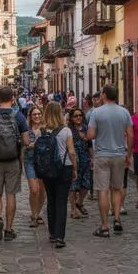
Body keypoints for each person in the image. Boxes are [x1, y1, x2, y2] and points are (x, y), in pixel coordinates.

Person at [0, 86, 30, 242]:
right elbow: (26, 141)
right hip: (13, 160)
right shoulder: (19, 117)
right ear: (13, 98)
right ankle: (9, 229)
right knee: (11, 194)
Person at [87, 84, 133, 237]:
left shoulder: (96, 112)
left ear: (104, 95)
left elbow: (91, 135)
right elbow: (131, 136)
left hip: (102, 155)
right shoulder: (124, 112)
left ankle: (105, 226)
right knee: (117, 189)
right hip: (119, 154)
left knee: (102, 190)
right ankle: (117, 219)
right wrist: (129, 154)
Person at [41, 102, 77, 248]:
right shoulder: (66, 131)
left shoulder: (43, 131)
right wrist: (75, 168)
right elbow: (72, 152)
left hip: (48, 169)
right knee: (61, 202)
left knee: (51, 200)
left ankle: (52, 233)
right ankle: (60, 236)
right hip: (64, 168)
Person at [23, 105, 46, 228]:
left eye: (38, 114)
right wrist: (29, 146)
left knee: (42, 190)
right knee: (34, 189)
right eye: (34, 114)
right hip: (30, 161)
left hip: (43, 162)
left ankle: (38, 213)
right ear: (30, 117)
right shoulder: (26, 130)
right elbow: (22, 145)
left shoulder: (46, 129)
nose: (37, 116)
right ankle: (33, 215)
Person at [68, 107, 92, 219]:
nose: (78, 118)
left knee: (86, 184)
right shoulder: (69, 130)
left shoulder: (86, 128)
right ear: (71, 118)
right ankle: (73, 209)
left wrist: (92, 158)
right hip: (73, 160)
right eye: (76, 116)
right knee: (73, 186)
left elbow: (90, 145)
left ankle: (80, 202)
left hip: (85, 159)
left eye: (80, 115)